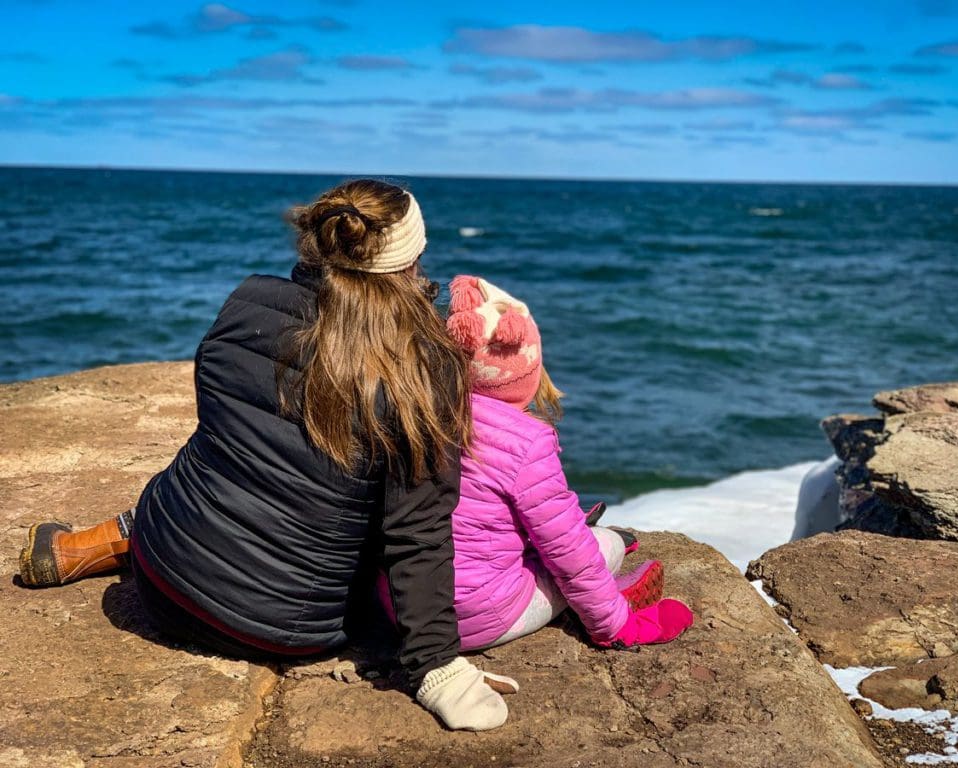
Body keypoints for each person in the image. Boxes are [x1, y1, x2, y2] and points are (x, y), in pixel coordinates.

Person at [17, 180, 517, 732]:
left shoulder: (247, 303)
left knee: (219, 466)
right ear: (414, 258)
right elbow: (416, 532)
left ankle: (99, 542)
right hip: (276, 626)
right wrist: (438, 666)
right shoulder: (424, 365)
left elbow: (228, 437)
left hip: (163, 575)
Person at [440, 275, 694, 650]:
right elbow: (570, 555)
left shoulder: (422, 413)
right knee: (605, 546)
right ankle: (616, 597)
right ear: (528, 374)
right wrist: (616, 629)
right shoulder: (526, 442)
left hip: (404, 608)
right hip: (473, 617)